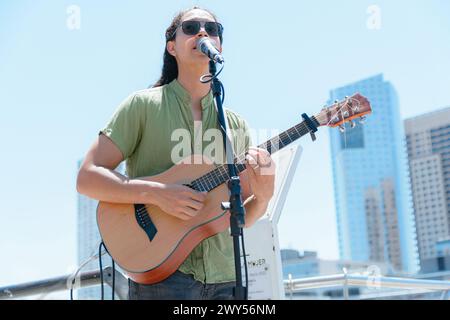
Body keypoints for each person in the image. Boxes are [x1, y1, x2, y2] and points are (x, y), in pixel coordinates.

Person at [76, 6, 276, 300]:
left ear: (219, 45)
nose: (203, 32)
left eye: (213, 28)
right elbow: (87, 178)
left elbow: (240, 218)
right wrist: (156, 194)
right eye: (192, 27)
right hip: (163, 280)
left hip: (228, 278)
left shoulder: (236, 125)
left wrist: (264, 196)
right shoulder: (141, 106)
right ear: (172, 46)